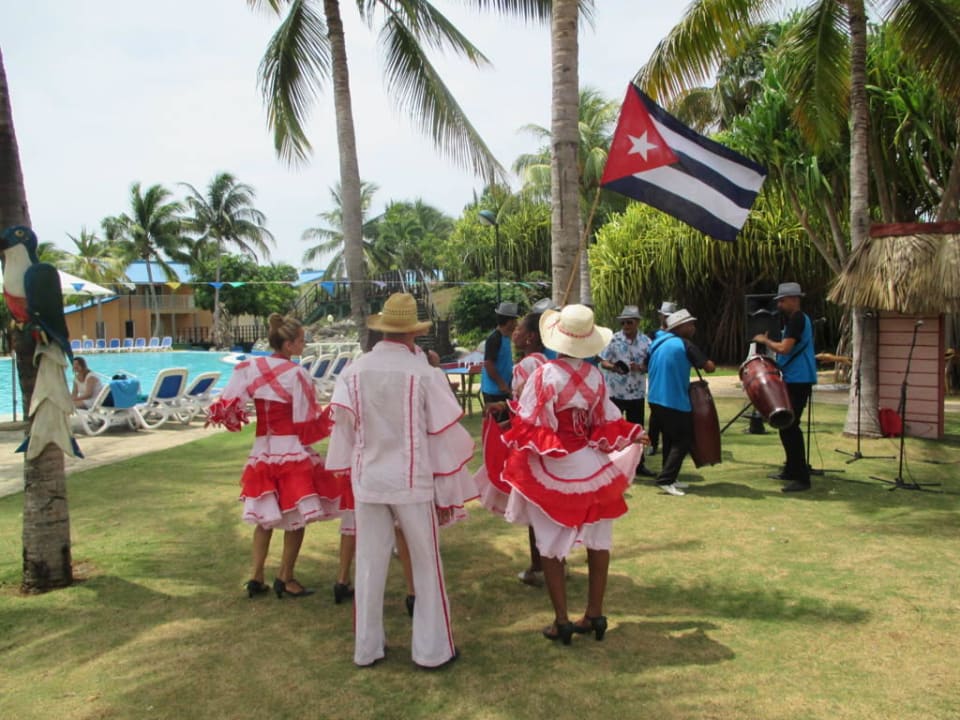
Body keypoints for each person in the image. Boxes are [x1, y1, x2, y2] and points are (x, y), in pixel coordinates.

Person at [326, 292, 475, 669]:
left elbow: (343, 428)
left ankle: (367, 648)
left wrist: (347, 465)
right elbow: (440, 427)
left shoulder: (355, 370)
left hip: (369, 479)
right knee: (426, 565)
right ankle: (432, 651)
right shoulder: (421, 370)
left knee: (370, 564)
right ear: (413, 333)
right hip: (411, 480)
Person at [500, 305, 646, 645]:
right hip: (592, 466)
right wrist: (630, 432)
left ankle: (562, 621)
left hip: (558, 465)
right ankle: (595, 613)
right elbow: (605, 419)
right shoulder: (595, 376)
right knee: (599, 540)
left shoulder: (545, 375)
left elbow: (531, 421)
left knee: (550, 544)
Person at [206, 313, 350, 599]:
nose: (303, 345)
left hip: (262, 449)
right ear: (288, 344)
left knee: (265, 517)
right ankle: (286, 576)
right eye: (300, 341)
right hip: (291, 449)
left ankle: (256, 575)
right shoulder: (297, 374)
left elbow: (229, 404)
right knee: (295, 515)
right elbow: (306, 420)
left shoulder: (249, 366)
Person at [474, 311, 550, 586]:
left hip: (529, 442)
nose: (514, 332)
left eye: (519, 329)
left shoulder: (524, 367)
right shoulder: (546, 362)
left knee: (533, 506)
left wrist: (506, 411)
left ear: (530, 337)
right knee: (548, 505)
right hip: (549, 440)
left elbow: (525, 406)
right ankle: (553, 562)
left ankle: (539, 566)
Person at [752, 282, 818, 493]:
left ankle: (802, 477)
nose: (779, 304)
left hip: (799, 379)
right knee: (784, 425)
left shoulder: (797, 319)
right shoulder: (794, 320)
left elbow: (786, 348)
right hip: (793, 377)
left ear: (794, 299)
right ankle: (791, 469)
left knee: (790, 426)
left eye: (782, 300)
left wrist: (765, 340)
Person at [646, 309, 716, 497]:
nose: (693, 328)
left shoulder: (657, 343)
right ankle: (666, 479)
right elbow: (708, 367)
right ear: (680, 327)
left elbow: (646, 365)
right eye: (690, 324)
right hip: (673, 399)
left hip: (654, 398)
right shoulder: (684, 344)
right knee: (682, 440)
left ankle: (669, 477)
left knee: (670, 438)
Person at [599, 305, 655, 479]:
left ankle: (639, 464)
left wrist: (640, 367)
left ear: (637, 323)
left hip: (636, 393)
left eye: (629, 322)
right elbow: (603, 361)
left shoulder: (647, 342)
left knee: (637, 430)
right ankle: (610, 463)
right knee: (613, 429)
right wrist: (615, 367)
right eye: (623, 323)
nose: (626, 326)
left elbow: (651, 365)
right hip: (615, 392)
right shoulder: (614, 339)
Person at [645, 301, 676, 456]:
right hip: (656, 381)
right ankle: (653, 443)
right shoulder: (653, 335)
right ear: (661, 316)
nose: (666, 319)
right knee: (655, 416)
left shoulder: (678, 336)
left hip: (673, 381)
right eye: (665, 316)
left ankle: (669, 446)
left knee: (670, 418)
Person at [480, 301, 520, 413]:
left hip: (503, 389)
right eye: (514, 320)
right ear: (509, 322)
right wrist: (501, 383)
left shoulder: (506, 338)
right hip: (494, 391)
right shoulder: (494, 338)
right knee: (497, 425)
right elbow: (488, 364)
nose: (516, 324)